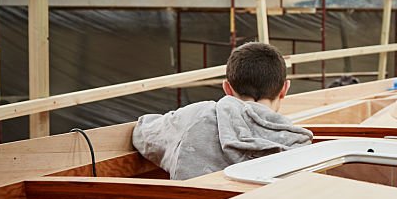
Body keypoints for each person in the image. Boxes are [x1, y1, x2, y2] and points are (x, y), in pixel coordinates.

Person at [133, 42, 313, 179]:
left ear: (227, 88)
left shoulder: (195, 116)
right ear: (284, 89)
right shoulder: (298, 144)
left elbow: (142, 134)